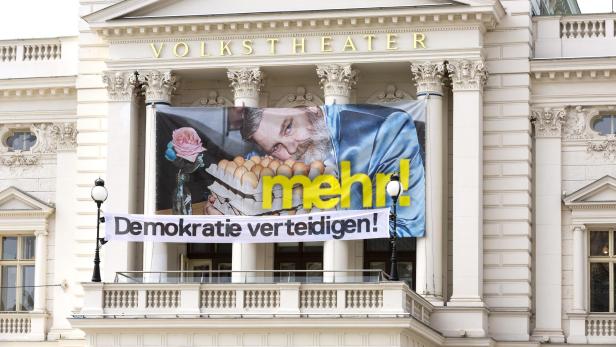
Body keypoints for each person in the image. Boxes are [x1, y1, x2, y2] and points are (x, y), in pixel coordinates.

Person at [239, 104, 426, 237]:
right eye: (275, 147)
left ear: (311, 107)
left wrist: (327, 216)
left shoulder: (387, 128)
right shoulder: (277, 164)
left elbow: (405, 225)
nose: (292, 149)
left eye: (288, 127)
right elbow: (250, 166)